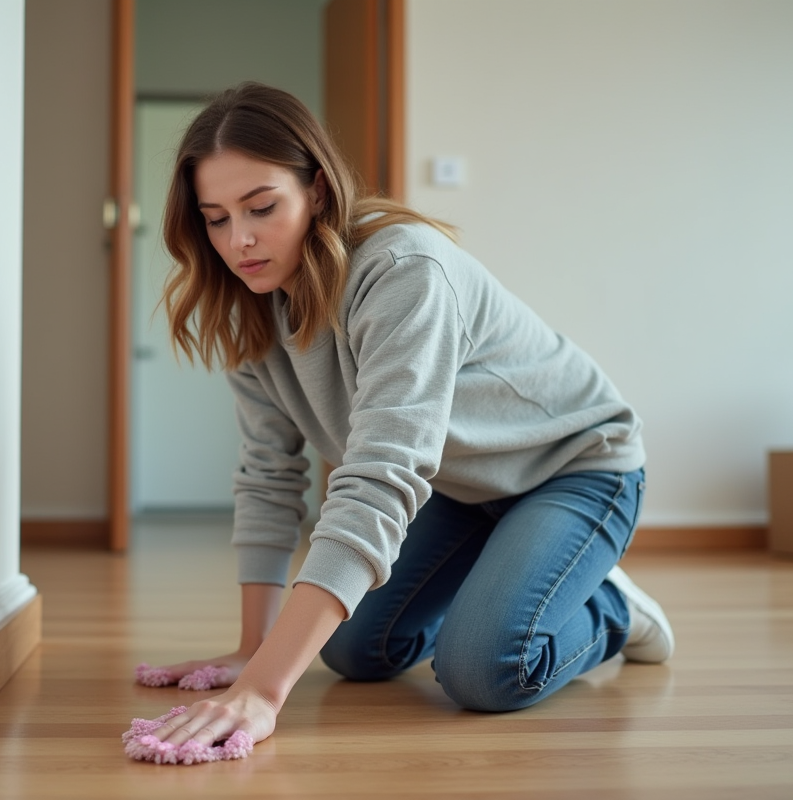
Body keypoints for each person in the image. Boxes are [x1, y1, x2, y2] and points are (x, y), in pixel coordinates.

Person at [139, 82, 674, 752]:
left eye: (262, 207)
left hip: (574, 467)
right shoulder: (250, 306)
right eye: (216, 218)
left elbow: (382, 474)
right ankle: (508, 578)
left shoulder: (402, 270)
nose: (239, 239)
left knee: (482, 671)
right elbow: (268, 474)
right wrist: (255, 650)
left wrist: (264, 694)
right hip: (459, 488)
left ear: (319, 192)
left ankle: (613, 608)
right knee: (354, 652)